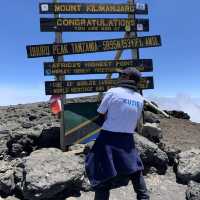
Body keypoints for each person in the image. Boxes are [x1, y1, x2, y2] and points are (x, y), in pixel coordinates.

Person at [85, 67, 150, 200]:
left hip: (108, 137)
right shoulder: (140, 98)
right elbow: (135, 119)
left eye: (122, 75)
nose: (119, 77)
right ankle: (144, 197)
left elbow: (101, 115)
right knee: (135, 170)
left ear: (128, 78)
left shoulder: (113, 92)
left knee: (103, 174)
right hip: (127, 138)